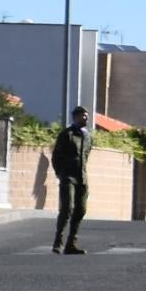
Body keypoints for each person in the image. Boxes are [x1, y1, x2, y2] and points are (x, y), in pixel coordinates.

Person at [52, 106, 91, 254]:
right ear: (75, 117)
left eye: (87, 116)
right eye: (83, 116)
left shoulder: (87, 136)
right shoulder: (66, 134)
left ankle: (71, 243)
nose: (86, 119)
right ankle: (58, 241)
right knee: (67, 208)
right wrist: (60, 173)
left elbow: (86, 156)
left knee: (81, 209)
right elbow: (56, 156)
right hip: (68, 177)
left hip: (82, 178)